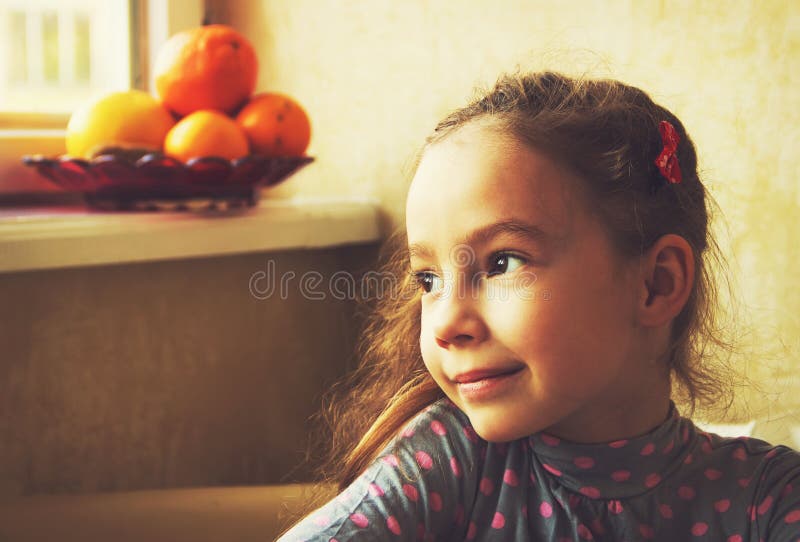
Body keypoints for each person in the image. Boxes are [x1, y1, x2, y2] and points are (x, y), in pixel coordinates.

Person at [277, 71, 800, 541]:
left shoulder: (767, 497)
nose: (445, 323)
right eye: (428, 278)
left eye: (502, 263)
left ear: (655, 285)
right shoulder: (449, 462)